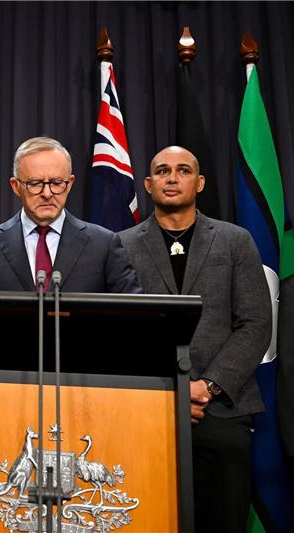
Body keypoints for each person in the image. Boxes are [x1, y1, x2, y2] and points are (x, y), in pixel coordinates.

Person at [119, 146, 271, 533]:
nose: (173, 177)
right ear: (148, 184)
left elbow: (255, 323)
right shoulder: (120, 245)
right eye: (163, 171)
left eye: (183, 170)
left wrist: (207, 386)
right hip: (146, 411)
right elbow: (118, 328)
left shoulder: (236, 240)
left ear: (199, 183)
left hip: (222, 411)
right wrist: (167, 392)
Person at [0, 136, 140, 294]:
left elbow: (133, 313)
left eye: (56, 182)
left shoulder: (103, 245)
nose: (47, 193)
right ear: (16, 186)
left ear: (69, 184)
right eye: (35, 183)